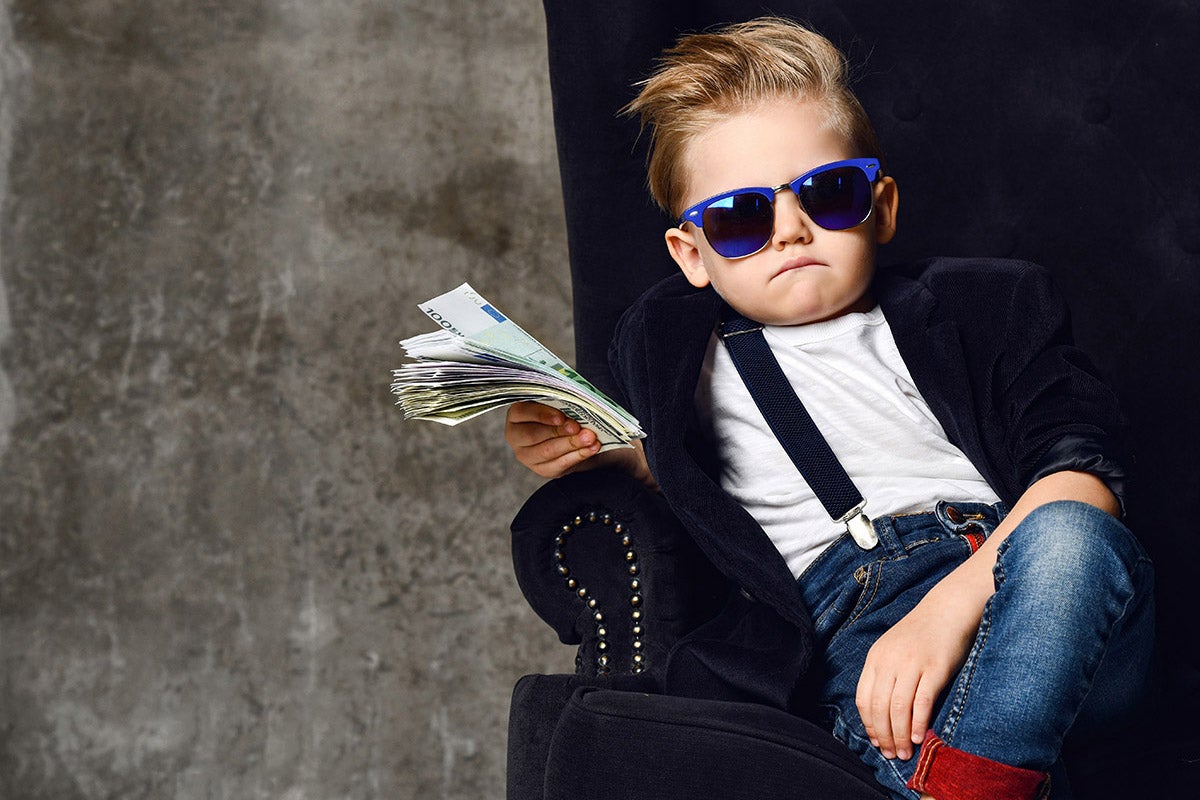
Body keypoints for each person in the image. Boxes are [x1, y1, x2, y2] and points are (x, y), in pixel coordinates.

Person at [505, 17, 1153, 800]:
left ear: (879, 207)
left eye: (828, 194)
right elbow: (686, 471)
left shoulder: (986, 304)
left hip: (1022, 586)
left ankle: (962, 775)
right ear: (691, 255)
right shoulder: (677, 354)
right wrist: (583, 445)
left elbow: (1084, 475)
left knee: (1077, 537)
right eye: (742, 218)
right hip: (852, 629)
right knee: (921, 729)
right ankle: (972, 779)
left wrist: (952, 606)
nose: (789, 231)